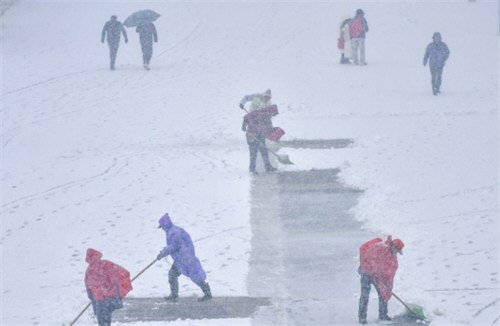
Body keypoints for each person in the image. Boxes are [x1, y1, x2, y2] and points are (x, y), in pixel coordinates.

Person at [156, 212, 212, 302]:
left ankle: (207, 293)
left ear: (165, 224)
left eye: (162, 226)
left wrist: (163, 253)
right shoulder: (172, 231)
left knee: (194, 275)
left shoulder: (174, 232)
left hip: (185, 258)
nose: (162, 228)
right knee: (173, 274)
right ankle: (174, 295)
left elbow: (174, 246)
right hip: (181, 258)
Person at [357, 236, 404, 325]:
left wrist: (388, 287)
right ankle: (362, 317)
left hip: (377, 276)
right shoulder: (380, 247)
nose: (396, 253)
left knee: (383, 294)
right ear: (394, 247)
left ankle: (383, 314)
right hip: (366, 273)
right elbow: (369, 257)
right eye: (397, 251)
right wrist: (370, 269)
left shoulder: (392, 257)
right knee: (365, 294)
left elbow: (390, 271)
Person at [85, 248, 132, 326]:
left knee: (102, 321)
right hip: (109, 298)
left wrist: (92, 296)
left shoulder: (89, 270)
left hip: (99, 300)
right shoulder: (106, 264)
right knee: (106, 319)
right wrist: (117, 285)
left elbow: (88, 286)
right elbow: (119, 273)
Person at [241, 103, 284, 174]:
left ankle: (268, 167)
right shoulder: (262, 113)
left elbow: (267, 129)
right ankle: (252, 169)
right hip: (252, 136)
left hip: (259, 135)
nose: (273, 115)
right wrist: (243, 126)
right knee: (253, 153)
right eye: (274, 113)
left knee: (264, 152)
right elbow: (247, 117)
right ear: (271, 111)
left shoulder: (266, 115)